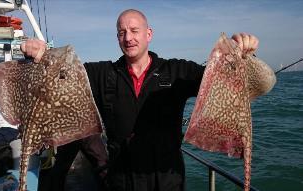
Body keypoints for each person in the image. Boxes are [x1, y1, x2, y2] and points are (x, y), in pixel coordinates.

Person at [21, 9, 259, 191]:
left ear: (149, 34)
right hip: (120, 177)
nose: (128, 38)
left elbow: (224, 81)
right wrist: (42, 54)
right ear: (117, 38)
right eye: (122, 32)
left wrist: (243, 53)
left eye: (135, 31)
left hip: (167, 177)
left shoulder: (176, 71)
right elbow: (64, 73)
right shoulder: (102, 73)